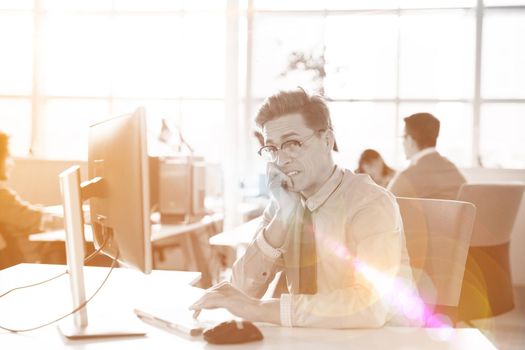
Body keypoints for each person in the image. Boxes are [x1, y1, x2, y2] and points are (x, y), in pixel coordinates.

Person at [191, 89, 417, 328]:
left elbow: (370, 306)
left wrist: (260, 309)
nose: (281, 160)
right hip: (309, 340)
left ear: (327, 141)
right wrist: (281, 219)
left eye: (292, 144)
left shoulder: (370, 203)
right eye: (272, 149)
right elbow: (240, 289)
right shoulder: (285, 202)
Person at [0, 131, 63, 269]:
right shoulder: (1, 195)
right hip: (8, 270)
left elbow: (23, 214)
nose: (11, 164)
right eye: (7, 156)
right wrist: (79, 218)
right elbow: (34, 219)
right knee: (57, 251)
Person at [387, 113, 466, 200]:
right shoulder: (454, 171)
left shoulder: (407, 177)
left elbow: (383, 206)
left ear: (410, 140)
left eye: (403, 137)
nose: (403, 143)